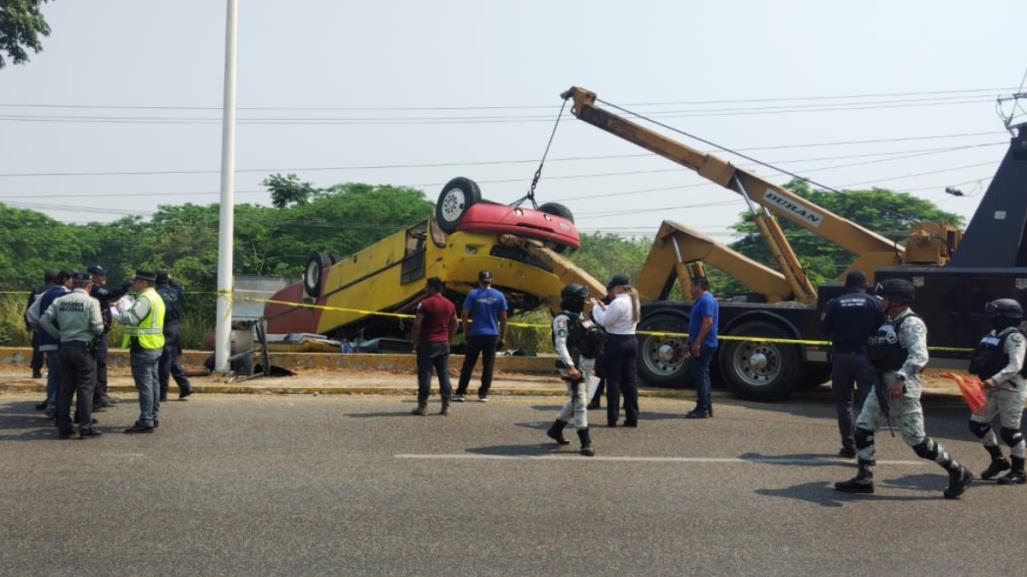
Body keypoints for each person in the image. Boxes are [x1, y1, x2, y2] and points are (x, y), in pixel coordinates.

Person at [835, 279, 973, 499]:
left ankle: (958, 471)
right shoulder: (889, 321)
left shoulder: (911, 324)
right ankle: (864, 477)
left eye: (884, 298)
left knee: (917, 441)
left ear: (896, 301)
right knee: (862, 428)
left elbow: (919, 355)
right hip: (881, 384)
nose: (880, 301)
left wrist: (900, 378)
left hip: (902, 387)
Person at [820, 270, 885, 457]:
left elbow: (824, 330)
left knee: (844, 403)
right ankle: (866, 447)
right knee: (867, 403)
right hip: (866, 358)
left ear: (846, 286)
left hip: (841, 358)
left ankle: (848, 446)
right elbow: (884, 328)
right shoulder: (874, 303)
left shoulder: (835, 304)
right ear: (865, 285)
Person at [966, 298, 1027, 485]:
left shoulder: (1015, 337)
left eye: (995, 315)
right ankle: (998, 460)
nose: (991, 318)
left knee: (1010, 432)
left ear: (1006, 317)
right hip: (990, 388)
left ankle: (1019, 471)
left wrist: (995, 379)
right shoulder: (992, 334)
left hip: (1011, 389)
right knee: (977, 424)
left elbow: (1016, 365)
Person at [38, 272, 104, 439]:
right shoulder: (91, 302)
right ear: (88, 286)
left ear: (73, 284)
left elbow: (43, 320)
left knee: (65, 388)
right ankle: (85, 426)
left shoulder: (60, 300)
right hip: (83, 348)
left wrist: (59, 335)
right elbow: (98, 328)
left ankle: (64, 426)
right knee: (85, 388)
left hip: (64, 347)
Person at [112, 270, 166, 434]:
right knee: (153, 383)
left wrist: (120, 309)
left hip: (143, 346)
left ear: (143, 283)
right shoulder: (155, 296)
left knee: (145, 386)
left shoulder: (145, 298)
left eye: (135, 281)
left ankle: (146, 420)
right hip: (154, 345)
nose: (133, 284)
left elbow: (132, 319)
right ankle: (153, 416)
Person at [546, 283, 597, 456]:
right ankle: (585, 441)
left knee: (579, 399)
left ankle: (556, 429)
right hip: (571, 366)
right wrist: (570, 367)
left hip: (585, 365)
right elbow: (560, 345)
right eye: (581, 299)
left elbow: (593, 338)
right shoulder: (562, 320)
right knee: (580, 402)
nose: (584, 302)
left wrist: (592, 365)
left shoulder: (582, 317)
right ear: (573, 300)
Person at [591, 274, 640, 427]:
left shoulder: (618, 302)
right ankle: (632, 416)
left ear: (618, 287)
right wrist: (604, 307)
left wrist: (595, 308)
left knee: (613, 380)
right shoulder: (634, 300)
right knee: (630, 380)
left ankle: (613, 417)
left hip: (615, 341)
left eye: (612, 287)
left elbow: (604, 321)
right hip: (631, 340)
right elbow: (618, 316)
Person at [453, 270, 508, 402]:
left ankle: (461, 392)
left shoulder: (473, 294)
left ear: (478, 281)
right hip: (492, 335)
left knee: (468, 364)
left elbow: (465, 314)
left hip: (475, 334)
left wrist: (466, 332)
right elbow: (504, 318)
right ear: (491, 280)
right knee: (488, 365)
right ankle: (483, 394)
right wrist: (503, 337)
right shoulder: (499, 295)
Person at [26, 269, 72, 417]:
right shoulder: (66, 295)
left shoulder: (45, 294)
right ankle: (60, 407)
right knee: (65, 376)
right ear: (66, 279)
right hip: (64, 342)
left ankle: (51, 405)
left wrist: (41, 331)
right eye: (72, 279)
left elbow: (31, 315)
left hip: (47, 342)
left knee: (53, 374)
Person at [410, 277, 457, 416]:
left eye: (426, 286)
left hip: (427, 343)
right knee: (443, 374)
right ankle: (446, 406)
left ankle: (422, 407)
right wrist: (448, 338)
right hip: (443, 344)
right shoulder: (450, 304)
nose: (425, 289)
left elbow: (417, 325)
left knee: (425, 374)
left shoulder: (424, 304)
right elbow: (455, 324)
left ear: (431, 287)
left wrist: (415, 342)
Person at [87, 265, 126, 409]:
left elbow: (104, 299)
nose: (104, 278)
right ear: (92, 276)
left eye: (104, 275)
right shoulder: (94, 288)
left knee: (101, 363)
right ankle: (98, 396)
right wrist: (125, 285)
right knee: (98, 364)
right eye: (101, 275)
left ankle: (101, 394)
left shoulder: (94, 289)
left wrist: (110, 304)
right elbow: (107, 294)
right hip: (96, 333)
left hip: (101, 332)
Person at [684, 277, 719, 419]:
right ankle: (706, 406)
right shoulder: (700, 301)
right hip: (699, 342)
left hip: (705, 344)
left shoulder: (706, 300)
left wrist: (697, 343)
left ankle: (702, 408)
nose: (690, 289)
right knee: (702, 375)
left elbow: (707, 322)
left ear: (699, 286)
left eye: (692, 286)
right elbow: (695, 324)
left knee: (701, 376)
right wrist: (688, 342)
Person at [156, 271, 193, 401]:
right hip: (176, 328)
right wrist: (170, 280)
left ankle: (162, 393)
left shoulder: (156, 294)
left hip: (165, 328)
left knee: (164, 362)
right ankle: (185, 386)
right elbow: (178, 287)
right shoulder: (174, 291)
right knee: (172, 359)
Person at [24, 270, 55, 380]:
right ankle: (51, 369)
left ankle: (36, 371)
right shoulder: (55, 291)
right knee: (52, 348)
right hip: (52, 324)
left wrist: (28, 324)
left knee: (37, 348)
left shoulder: (37, 290)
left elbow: (30, 308)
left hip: (38, 325)